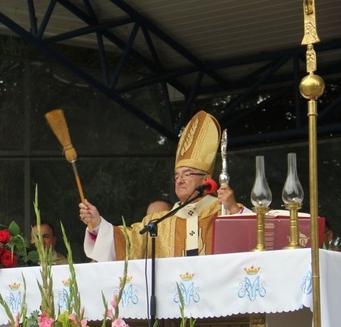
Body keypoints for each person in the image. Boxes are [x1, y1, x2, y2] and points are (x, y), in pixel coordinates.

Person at [79, 111, 248, 261]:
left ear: (206, 180)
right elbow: (128, 243)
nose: (180, 180)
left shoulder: (225, 213)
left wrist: (234, 209)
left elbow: (260, 239)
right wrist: (98, 223)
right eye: (177, 176)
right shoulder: (158, 222)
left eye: (187, 174)